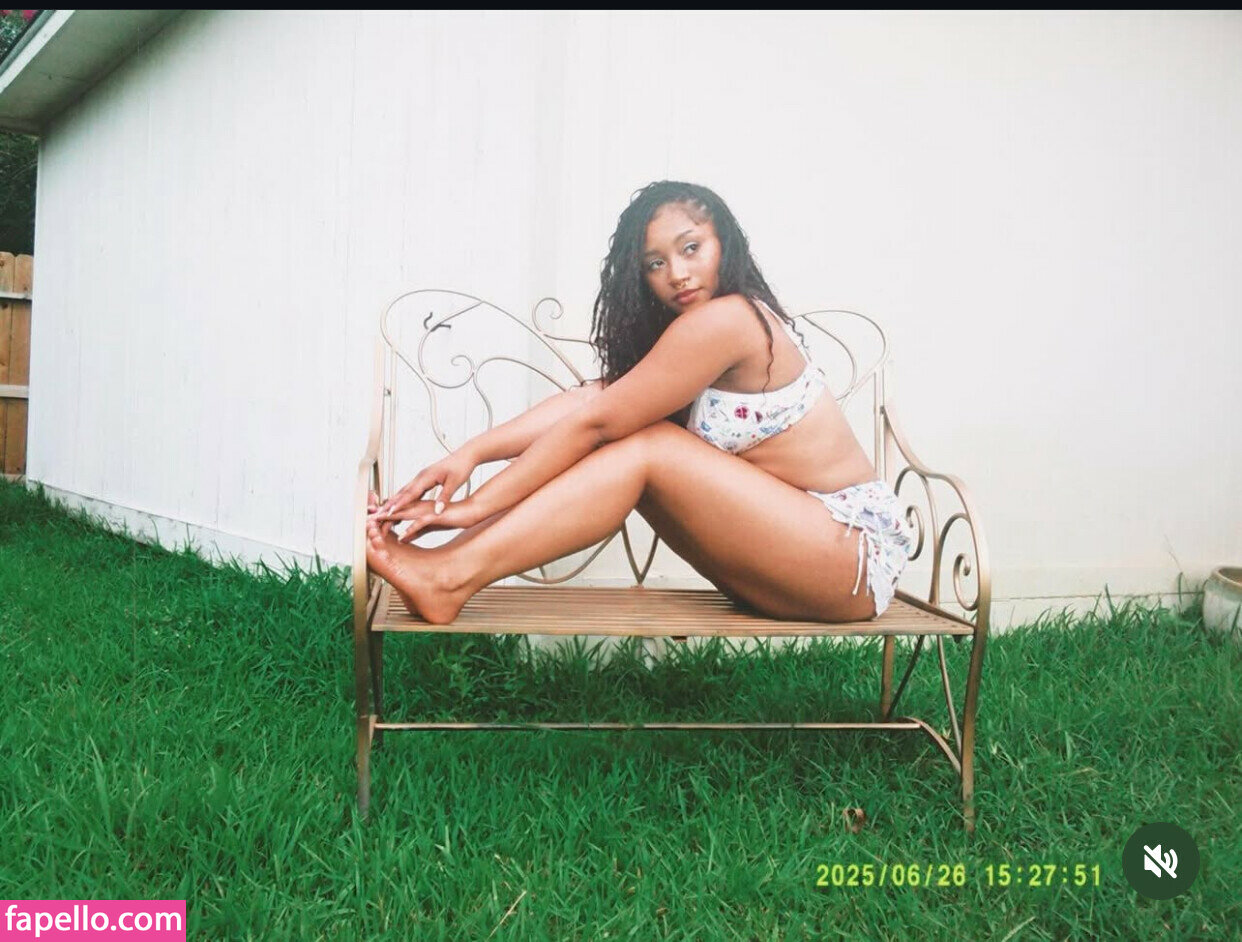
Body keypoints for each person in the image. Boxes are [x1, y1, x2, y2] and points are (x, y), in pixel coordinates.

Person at [366, 181, 913, 625]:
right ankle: (448, 568)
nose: (677, 274)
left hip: (850, 557)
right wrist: (470, 454)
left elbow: (598, 423)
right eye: (655, 263)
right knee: (634, 429)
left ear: (725, 244)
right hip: (794, 559)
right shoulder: (696, 331)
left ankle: (451, 574)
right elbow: (598, 400)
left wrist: (473, 505)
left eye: (691, 248)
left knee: (646, 443)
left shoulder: (729, 320)